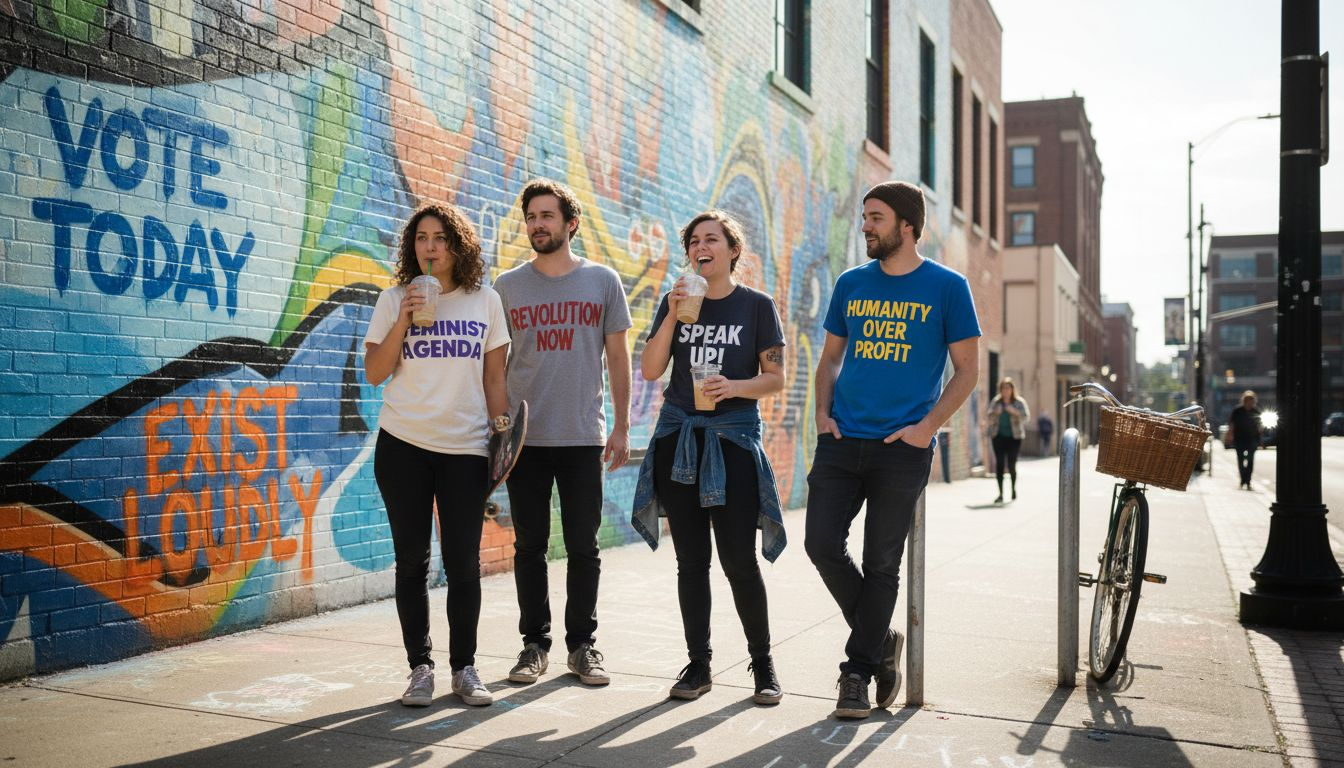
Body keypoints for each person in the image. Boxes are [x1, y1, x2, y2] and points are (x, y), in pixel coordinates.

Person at [805, 181, 981, 720]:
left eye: (876, 218)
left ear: (907, 225)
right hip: (842, 438)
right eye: (864, 217)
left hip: (903, 446)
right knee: (820, 544)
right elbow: (831, 357)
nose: (866, 226)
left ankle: (856, 673)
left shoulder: (948, 287)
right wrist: (821, 412)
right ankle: (880, 639)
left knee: (883, 562)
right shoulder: (851, 284)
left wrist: (926, 428)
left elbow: (968, 371)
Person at [630, 210, 788, 705]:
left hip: (733, 442)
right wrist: (674, 313)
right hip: (680, 442)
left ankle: (763, 666)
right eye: (694, 240)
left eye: (711, 239)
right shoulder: (675, 302)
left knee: (739, 560)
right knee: (691, 562)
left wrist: (733, 387)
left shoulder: (757, 306)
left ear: (732, 250)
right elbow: (653, 370)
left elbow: (776, 378)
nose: (702, 246)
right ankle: (698, 666)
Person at [363, 202, 511, 708]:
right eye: (422, 238)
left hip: (465, 450)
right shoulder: (392, 300)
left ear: (458, 244)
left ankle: (464, 668)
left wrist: (503, 438)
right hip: (402, 444)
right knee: (411, 563)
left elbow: (494, 380)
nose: (430, 246)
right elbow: (376, 373)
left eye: (441, 237)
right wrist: (404, 318)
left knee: (463, 564)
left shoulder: (485, 301)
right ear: (413, 246)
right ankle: (420, 668)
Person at [494, 179, 632, 687]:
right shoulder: (507, 286)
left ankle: (582, 646)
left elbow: (617, 357)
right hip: (523, 440)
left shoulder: (603, 281)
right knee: (529, 546)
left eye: (547, 216)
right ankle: (534, 645)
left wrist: (620, 426)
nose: (537, 224)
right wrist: (496, 426)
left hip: (581, 436)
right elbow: (495, 364)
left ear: (570, 224)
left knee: (583, 546)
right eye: (531, 217)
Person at [985, 377, 1030, 503]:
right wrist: (995, 413)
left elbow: (1026, 417)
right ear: (1000, 390)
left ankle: (1013, 489)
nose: (1005, 391)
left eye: (1008, 388)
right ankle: (1000, 493)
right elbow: (988, 417)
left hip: (1014, 438)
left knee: (1011, 465)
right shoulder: (996, 402)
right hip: (998, 437)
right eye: (1003, 388)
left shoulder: (1019, 402)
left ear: (1012, 389)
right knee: (999, 464)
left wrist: (1014, 412)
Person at [1228, 390, 1263, 490]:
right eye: (1248, 400)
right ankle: (1243, 479)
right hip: (1239, 438)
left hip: (1252, 439)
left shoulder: (1256, 411)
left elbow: (1260, 426)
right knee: (1240, 460)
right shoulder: (1237, 410)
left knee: (1250, 461)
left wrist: (1260, 438)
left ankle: (1247, 481)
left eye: (1252, 401)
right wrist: (1230, 435)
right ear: (1244, 401)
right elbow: (1231, 424)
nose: (1250, 403)